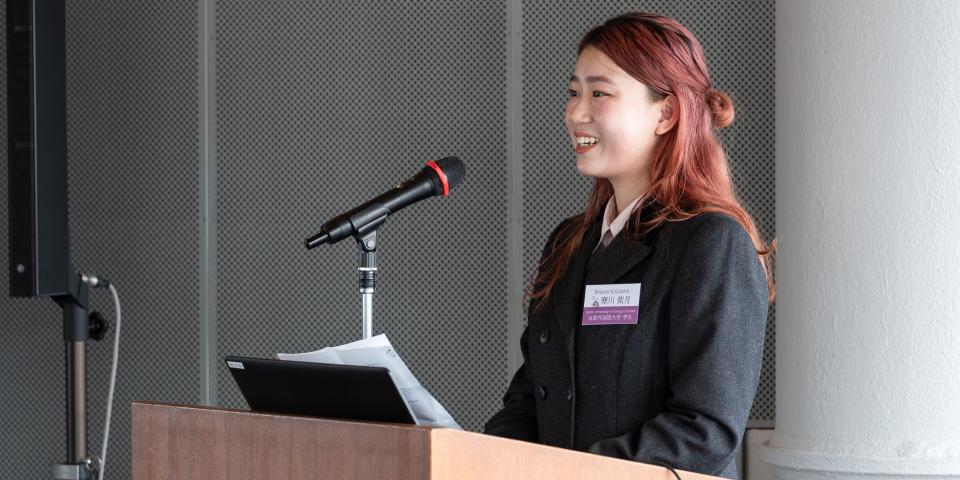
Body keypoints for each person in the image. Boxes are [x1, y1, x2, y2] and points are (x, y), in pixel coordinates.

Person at [482, 11, 776, 480]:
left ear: (666, 112)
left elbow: (704, 431)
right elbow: (528, 400)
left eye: (599, 93)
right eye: (573, 92)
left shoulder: (711, 242)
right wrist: (487, 459)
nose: (576, 112)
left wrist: (562, 474)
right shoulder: (569, 242)